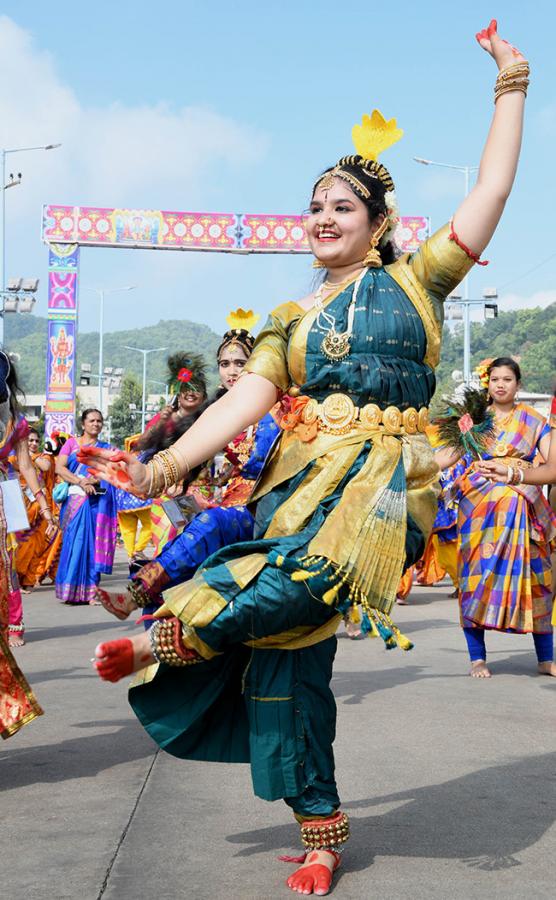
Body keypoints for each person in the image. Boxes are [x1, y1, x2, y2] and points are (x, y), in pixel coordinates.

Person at [86, 23, 529, 895]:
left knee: (302, 579)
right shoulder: (291, 319)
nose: (323, 219)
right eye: (315, 206)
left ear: (378, 225)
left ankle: (175, 634)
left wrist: (510, 84)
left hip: (389, 488)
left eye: (342, 207)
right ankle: (321, 830)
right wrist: (159, 469)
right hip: (302, 487)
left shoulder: (419, 280)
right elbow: (245, 402)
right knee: (292, 677)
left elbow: (494, 185)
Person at [97, 310, 280, 620]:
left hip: (256, 505)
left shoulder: (274, 407)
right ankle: (148, 612)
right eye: (224, 364)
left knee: (201, 533)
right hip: (187, 499)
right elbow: (163, 451)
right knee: (174, 547)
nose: (232, 372)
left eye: (240, 363)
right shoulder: (212, 413)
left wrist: (218, 484)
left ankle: (139, 596)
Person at [437, 358, 556, 679]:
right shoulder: (473, 419)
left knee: (538, 581)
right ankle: (477, 658)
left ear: (518, 384)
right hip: (478, 508)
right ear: (487, 384)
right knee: (477, 578)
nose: (500, 384)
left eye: (507, 379)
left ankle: (546, 658)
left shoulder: (534, 421)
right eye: (495, 379)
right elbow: (447, 457)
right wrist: (406, 467)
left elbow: (553, 469)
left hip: (524, 505)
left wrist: (513, 474)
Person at [0, 350, 45, 734]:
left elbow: (27, 467)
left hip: (1, 502)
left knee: (5, 568)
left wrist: (43, 504)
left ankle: (11, 624)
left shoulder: (13, 422)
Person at [138, 353, 209, 553]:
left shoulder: (211, 421)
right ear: (178, 393)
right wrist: (161, 422)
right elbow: (142, 444)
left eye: (197, 389)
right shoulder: (165, 419)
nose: (191, 392)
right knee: (169, 543)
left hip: (197, 490)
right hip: (167, 492)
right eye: (186, 388)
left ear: (204, 396)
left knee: (193, 543)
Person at [54, 409, 118, 605]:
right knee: (74, 543)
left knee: (92, 545)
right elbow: (60, 468)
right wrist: (81, 482)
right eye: (92, 421)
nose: (96, 424)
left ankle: (90, 593)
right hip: (75, 500)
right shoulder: (71, 444)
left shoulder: (106, 449)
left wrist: (96, 481)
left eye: (99, 421)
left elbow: (112, 472)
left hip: (95, 503)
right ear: (83, 424)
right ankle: (69, 591)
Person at [13, 428, 63, 592]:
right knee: (21, 544)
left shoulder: (41, 458)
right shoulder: (13, 458)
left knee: (38, 545)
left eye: (36, 441)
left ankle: (28, 580)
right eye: (30, 441)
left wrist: (27, 458)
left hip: (41, 507)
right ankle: (16, 580)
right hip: (21, 507)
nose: (34, 443)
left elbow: (47, 466)